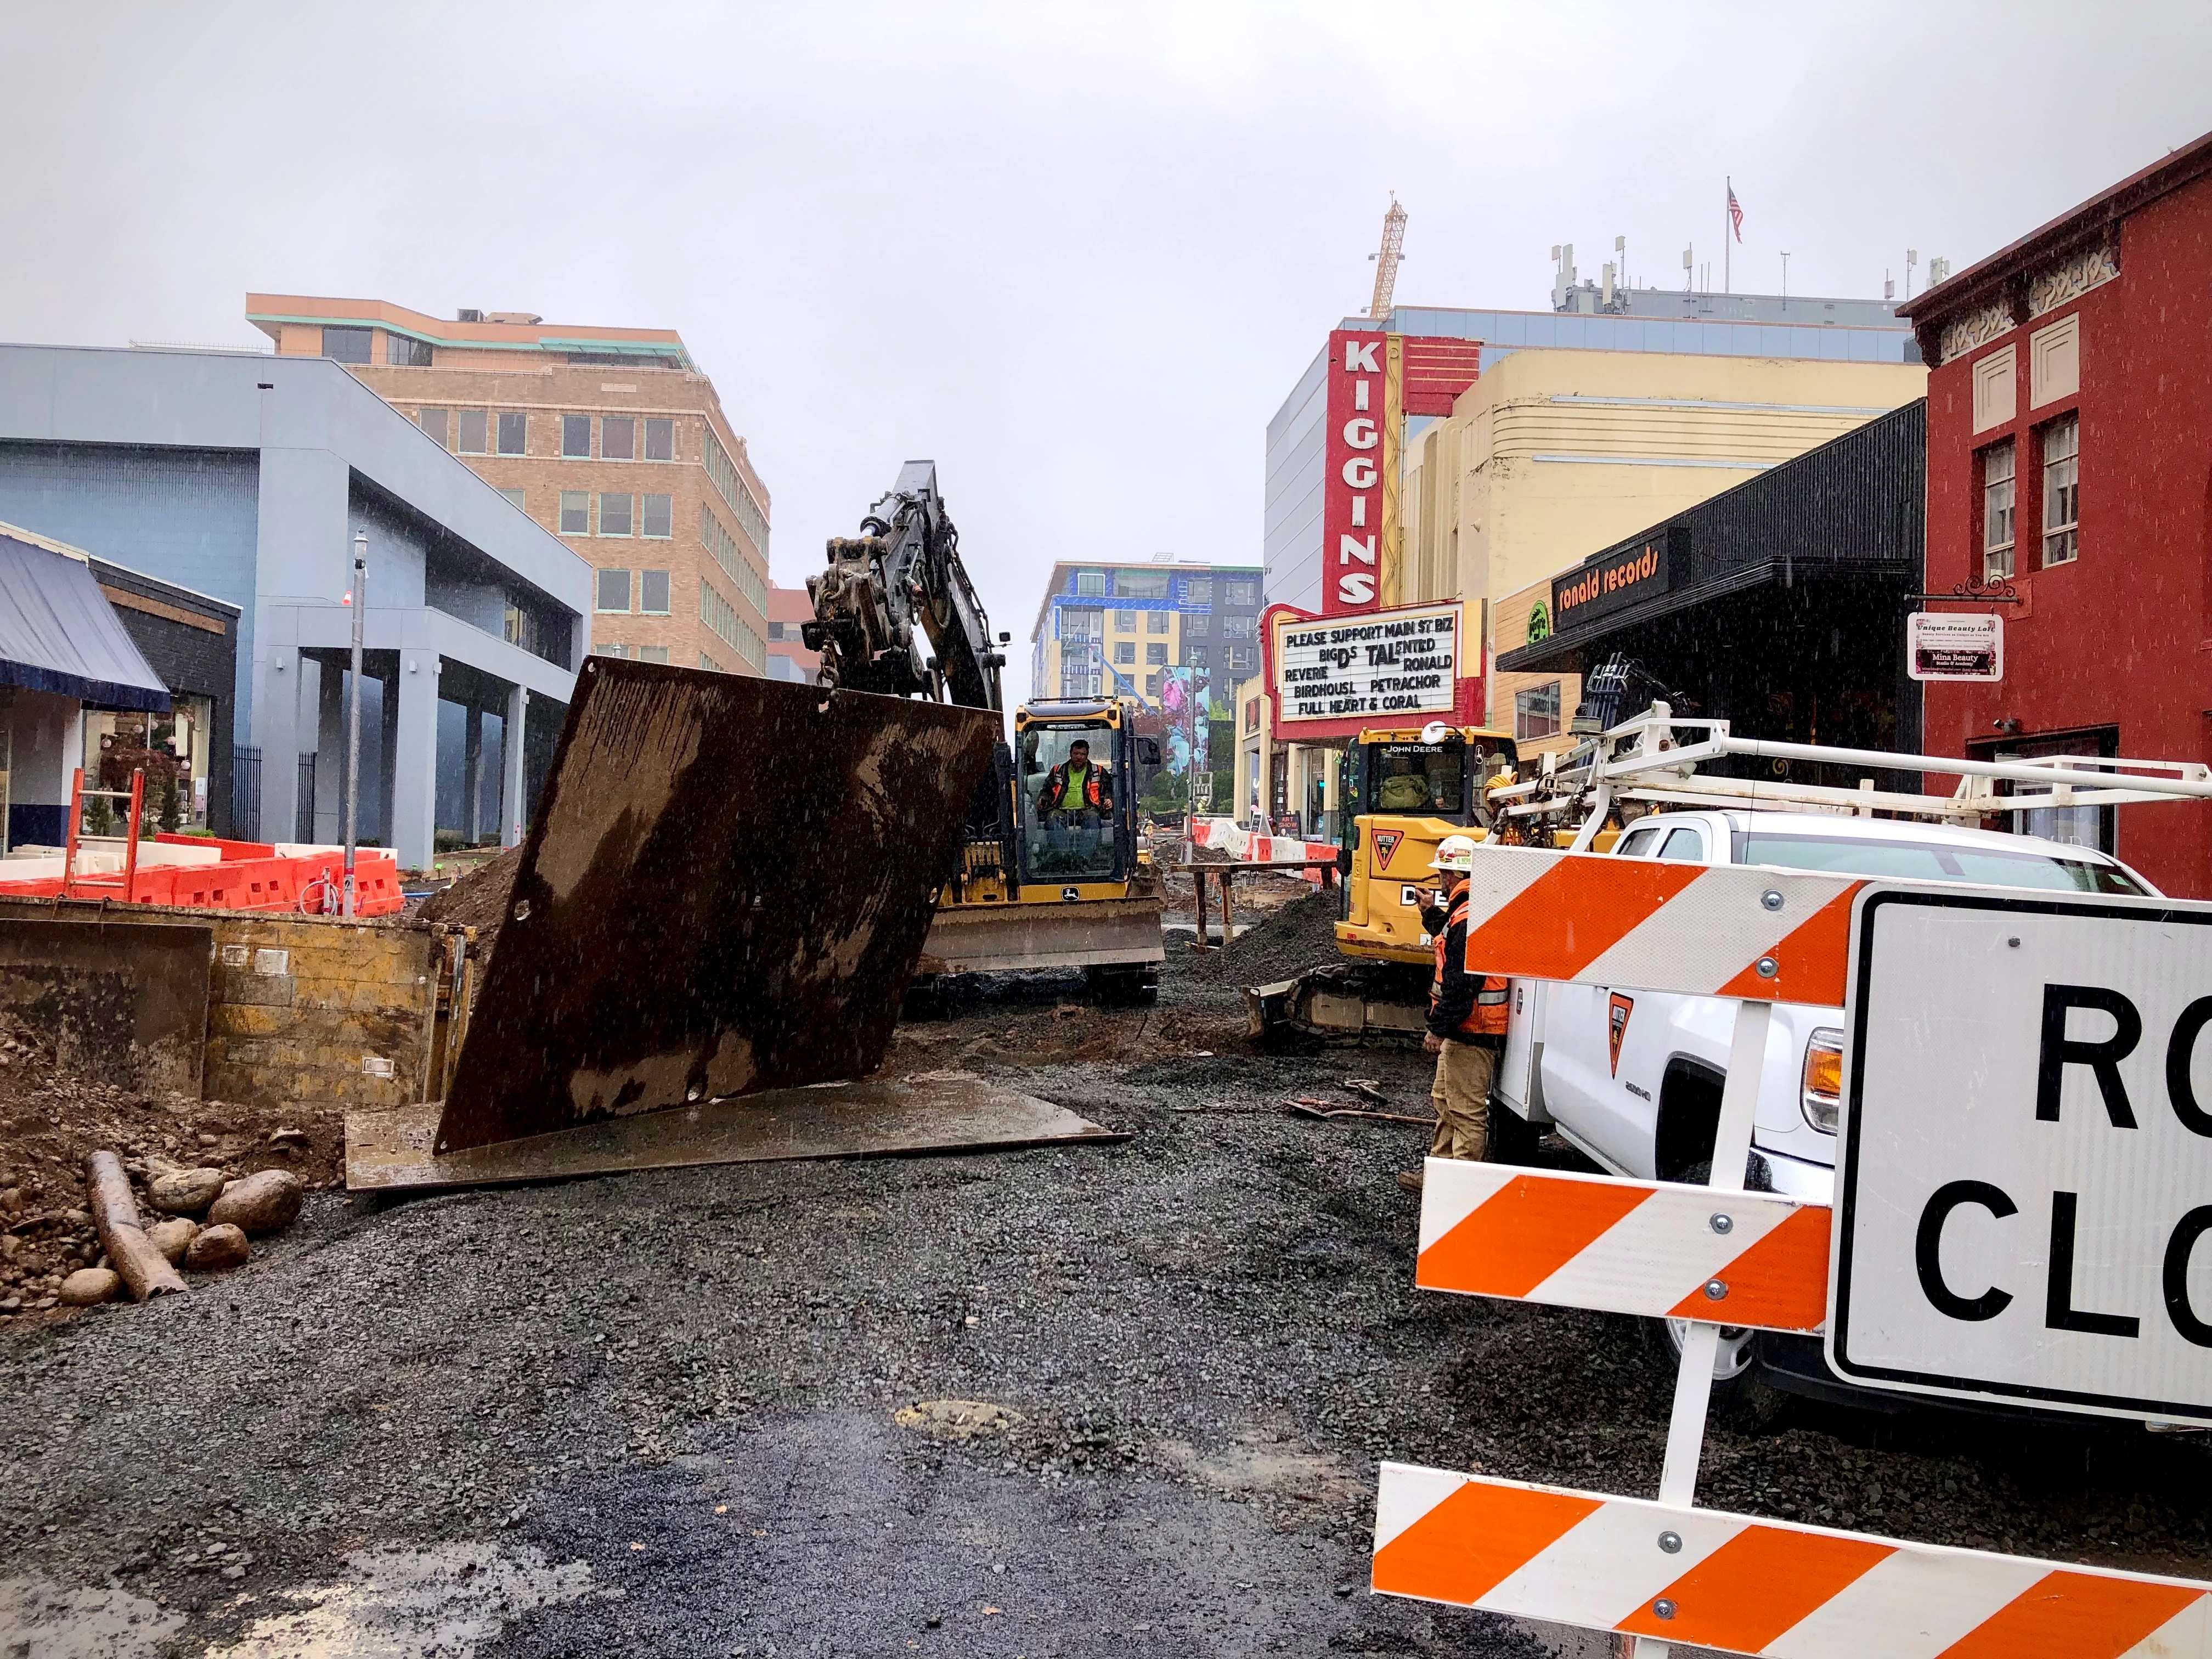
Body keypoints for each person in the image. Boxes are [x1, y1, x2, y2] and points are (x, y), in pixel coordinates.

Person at [1399, 832, 1511, 1193]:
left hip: (1472, 1030)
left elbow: (1462, 985)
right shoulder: (1468, 912)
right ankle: (1441, 1178)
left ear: (1453, 875)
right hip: (1466, 1029)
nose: (1440, 881)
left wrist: (1438, 1028)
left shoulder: (1468, 916)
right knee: (1446, 1103)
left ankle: (1459, 1192)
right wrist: (1429, 913)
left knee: (1465, 1112)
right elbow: (1454, 944)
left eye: (1442, 874)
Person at [1036, 738, 1111, 830]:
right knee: (1052, 819)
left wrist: (1109, 800)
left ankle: (1090, 840)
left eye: (1083, 754)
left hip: (1088, 810)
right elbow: (1047, 790)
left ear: (1087, 755)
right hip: (1061, 810)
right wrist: (1042, 799)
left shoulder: (1098, 771)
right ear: (1070, 754)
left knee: (1093, 818)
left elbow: (1110, 790)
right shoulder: (1058, 770)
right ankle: (1058, 840)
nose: (1079, 757)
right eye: (1076, 754)